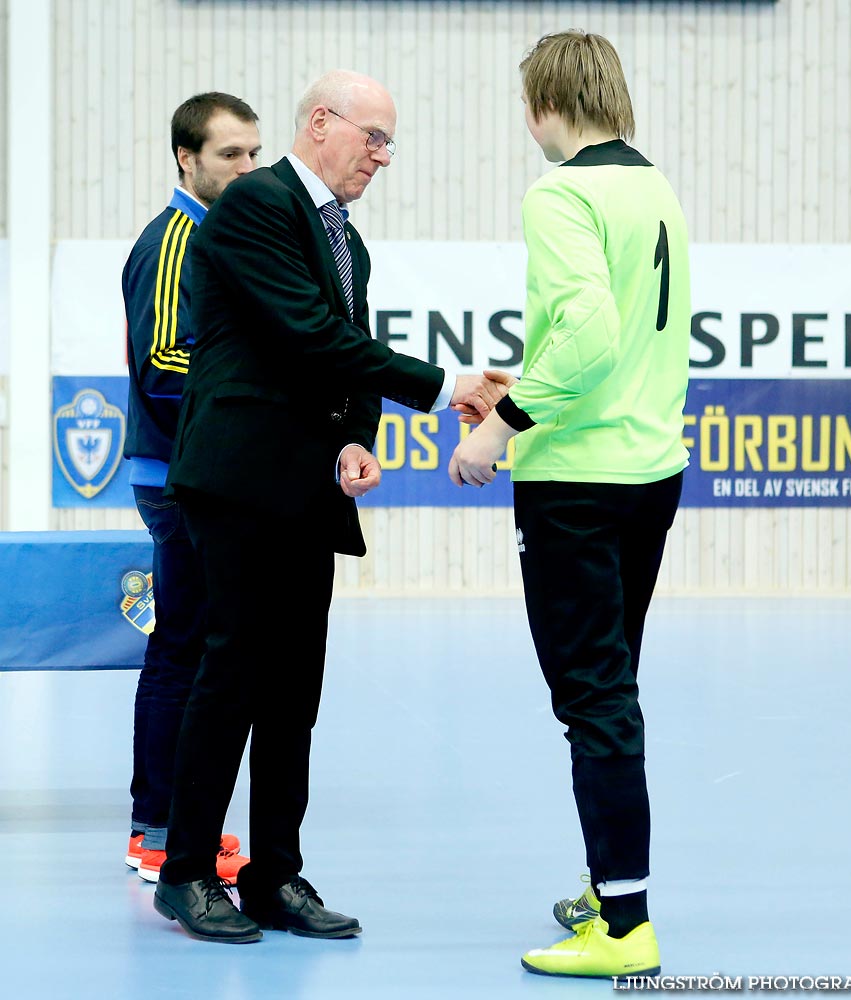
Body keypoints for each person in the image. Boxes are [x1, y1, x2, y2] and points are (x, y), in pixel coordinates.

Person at [152, 68, 512, 944]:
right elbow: (310, 333)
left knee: (293, 691)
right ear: (322, 122)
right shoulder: (257, 205)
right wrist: (446, 386)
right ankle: (188, 872)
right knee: (229, 674)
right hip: (239, 482)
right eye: (374, 138)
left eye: (390, 143)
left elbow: (342, 357)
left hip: (307, 486)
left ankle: (277, 876)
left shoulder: (344, 236)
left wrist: (358, 437)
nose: (383, 158)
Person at [448, 30, 691, 979]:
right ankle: (612, 889)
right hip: (647, 470)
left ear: (543, 104)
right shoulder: (654, 187)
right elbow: (614, 335)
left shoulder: (562, 192)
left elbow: (587, 334)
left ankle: (625, 927)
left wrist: (500, 424)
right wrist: (535, 375)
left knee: (593, 701)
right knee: (611, 691)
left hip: (579, 484)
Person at [122, 92, 262, 885]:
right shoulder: (175, 242)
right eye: (229, 155)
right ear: (187, 158)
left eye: (254, 154)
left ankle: (178, 822)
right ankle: (160, 829)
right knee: (185, 651)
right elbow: (164, 367)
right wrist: (256, 392)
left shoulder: (216, 236)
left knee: (196, 648)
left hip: (200, 475)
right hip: (179, 480)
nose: (247, 170)